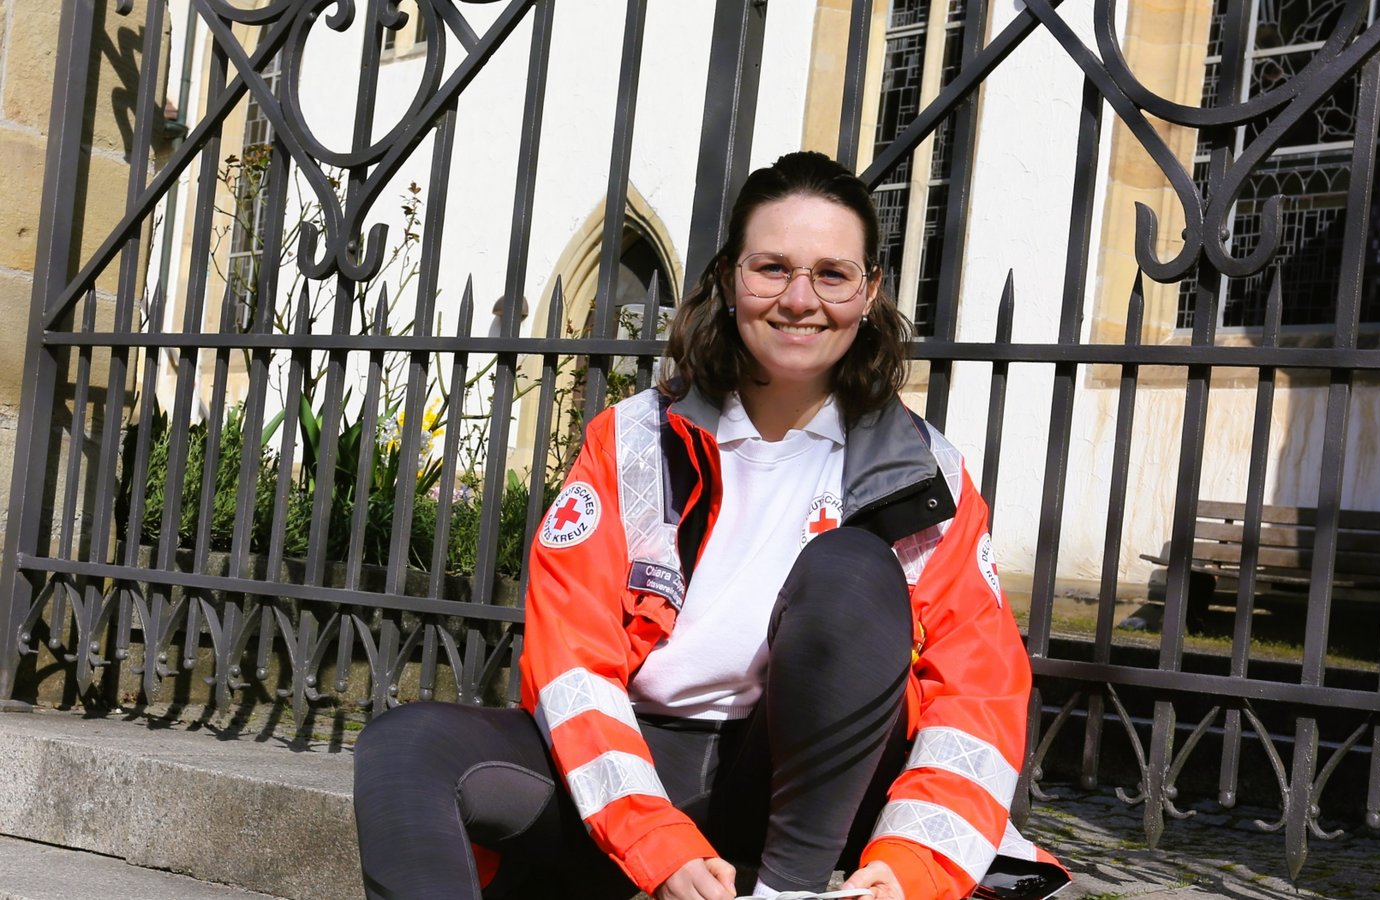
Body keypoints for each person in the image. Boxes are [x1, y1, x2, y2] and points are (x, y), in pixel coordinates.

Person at [352, 151, 1066, 900]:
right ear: (729, 279)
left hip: (811, 787)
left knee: (851, 569)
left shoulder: (928, 473)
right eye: (772, 268)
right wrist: (656, 844)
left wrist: (911, 867)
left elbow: (978, 692)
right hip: (637, 768)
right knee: (406, 746)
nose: (800, 299)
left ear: (869, 292)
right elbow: (570, 660)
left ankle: (782, 895)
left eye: (832, 273)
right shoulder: (631, 439)